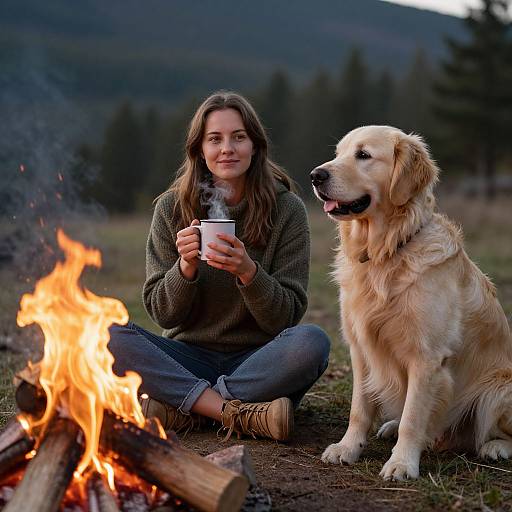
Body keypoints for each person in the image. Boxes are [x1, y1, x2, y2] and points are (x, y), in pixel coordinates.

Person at [108, 91, 330, 441]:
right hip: (186, 356)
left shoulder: (287, 210)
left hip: (257, 361)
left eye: (238, 137)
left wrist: (248, 271)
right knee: (105, 335)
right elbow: (164, 315)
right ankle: (237, 413)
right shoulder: (171, 208)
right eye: (215, 139)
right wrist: (185, 269)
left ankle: (188, 409)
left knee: (311, 343)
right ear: (199, 150)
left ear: (255, 145)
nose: (227, 148)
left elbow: (285, 318)